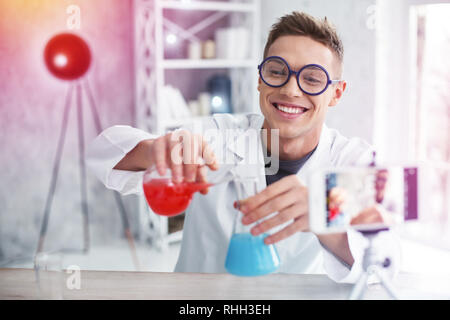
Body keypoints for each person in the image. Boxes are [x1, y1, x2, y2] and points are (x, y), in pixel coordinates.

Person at [87, 11, 399, 283]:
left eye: (313, 79)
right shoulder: (218, 136)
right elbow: (102, 152)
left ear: (336, 93)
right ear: (260, 79)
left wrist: (324, 213)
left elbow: (385, 260)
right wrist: (157, 150)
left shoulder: (355, 162)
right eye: (277, 72)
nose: (291, 90)